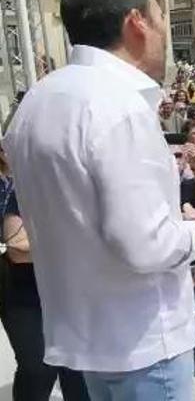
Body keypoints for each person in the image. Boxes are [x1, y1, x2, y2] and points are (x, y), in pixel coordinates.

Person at [4, 0, 195, 400]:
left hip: (88, 336)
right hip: (144, 343)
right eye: (160, 22)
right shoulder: (120, 106)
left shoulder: (36, 102)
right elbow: (145, 245)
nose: (163, 36)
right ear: (136, 23)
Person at [0, 170, 91, 400]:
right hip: (24, 291)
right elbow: (17, 249)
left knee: (77, 369)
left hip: (72, 293)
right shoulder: (27, 190)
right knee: (38, 368)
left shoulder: (89, 191)